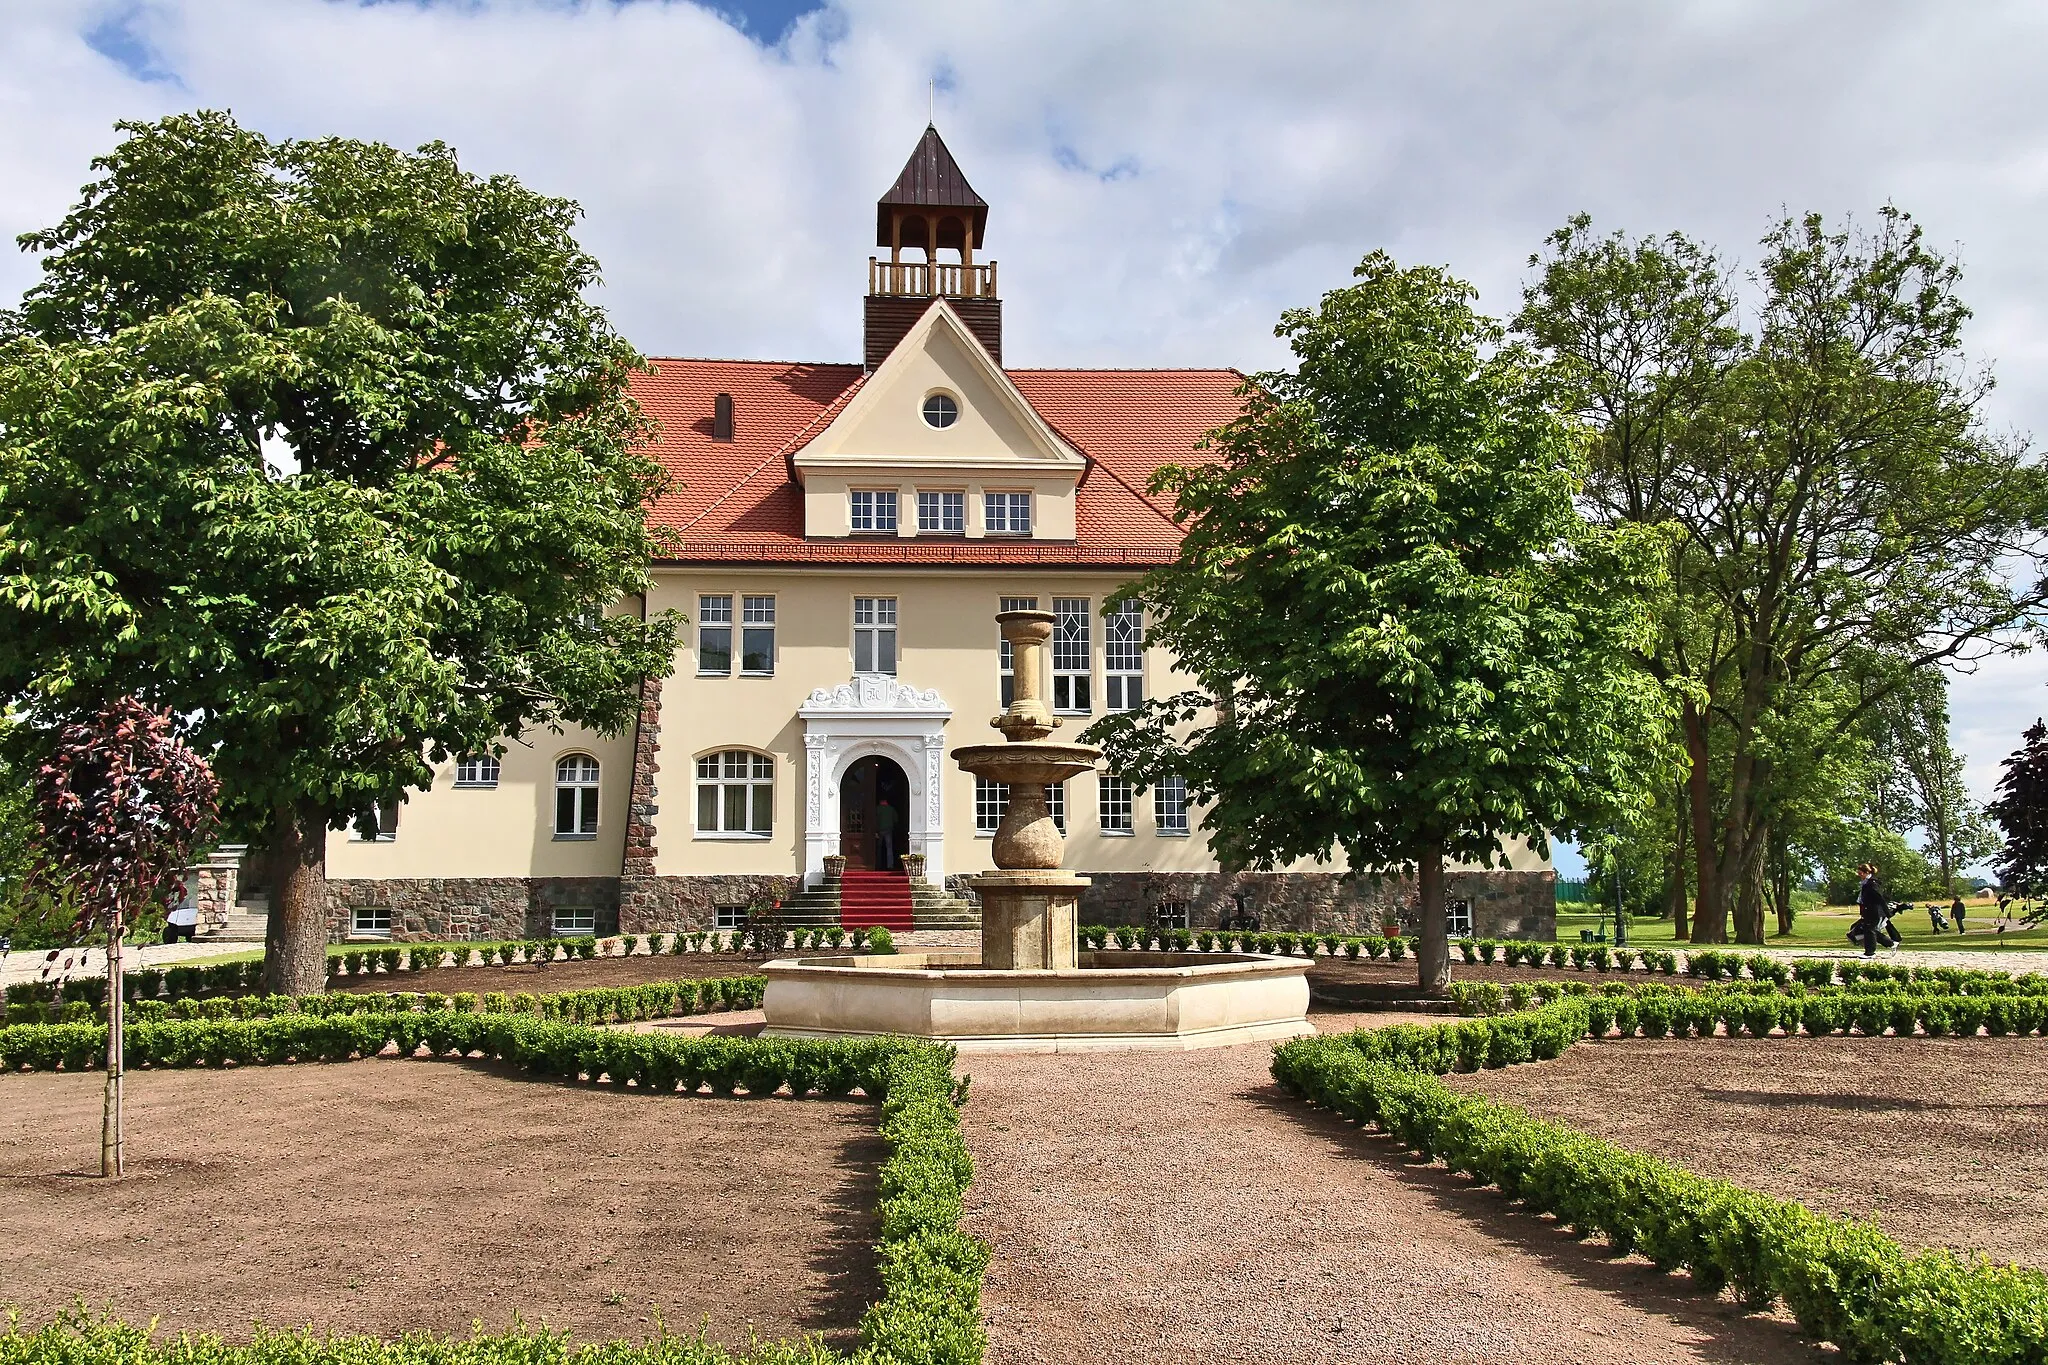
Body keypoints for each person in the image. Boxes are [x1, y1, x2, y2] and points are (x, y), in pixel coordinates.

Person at [1852, 863, 1885, 958]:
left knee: (1870, 930)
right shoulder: (1866, 883)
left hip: (1874, 911)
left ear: (1867, 872)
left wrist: (1884, 911)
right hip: (1868, 910)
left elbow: (1879, 898)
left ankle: (1870, 953)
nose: (1859, 875)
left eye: (1861, 873)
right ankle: (1887, 944)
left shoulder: (1872, 883)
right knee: (1869, 930)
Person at [160, 879, 198, 944]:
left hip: (193, 919)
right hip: (177, 920)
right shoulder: (178, 898)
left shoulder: (194, 902)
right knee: (171, 931)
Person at [875, 796, 899, 872]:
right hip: (888, 829)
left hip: (879, 830)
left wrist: (875, 831)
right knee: (889, 848)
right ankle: (890, 865)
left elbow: (874, 820)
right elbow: (896, 820)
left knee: (878, 848)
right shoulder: (891, 809)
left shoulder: (877, 809)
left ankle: (877, 865)